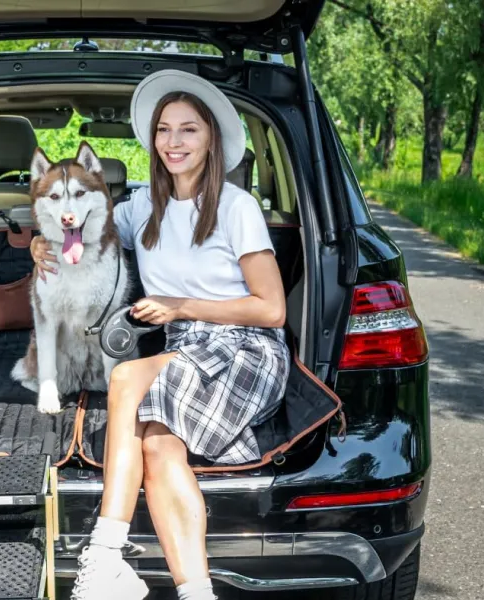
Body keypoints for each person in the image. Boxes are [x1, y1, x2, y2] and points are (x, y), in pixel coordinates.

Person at [31, 70, 291, 600]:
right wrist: (40, 243)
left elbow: (273, 310)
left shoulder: (237, 208)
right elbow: (81, 225)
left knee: (126, 376)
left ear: (211, 139)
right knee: (159, 447)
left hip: (243, 348)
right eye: (164, 130)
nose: (174, 142)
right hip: (185, 355)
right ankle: (197, 592)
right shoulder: (142, 207)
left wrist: (180, 307)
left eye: (188, 130)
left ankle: (104, 558)